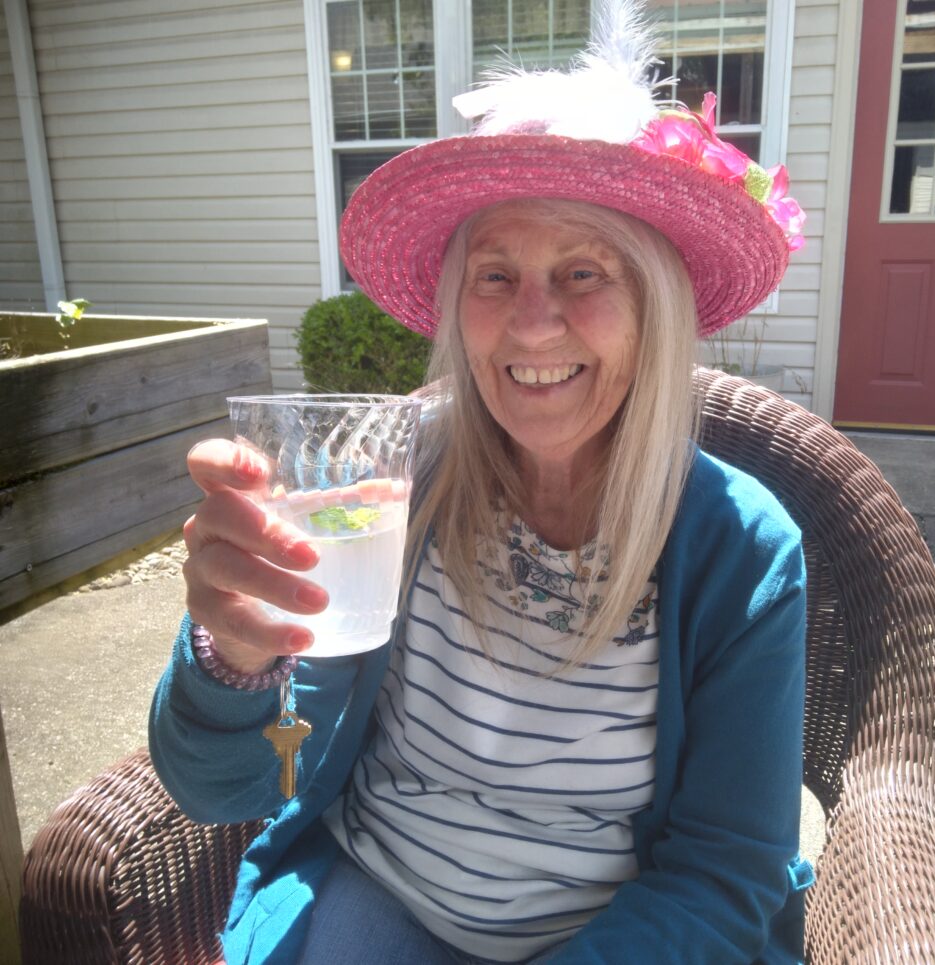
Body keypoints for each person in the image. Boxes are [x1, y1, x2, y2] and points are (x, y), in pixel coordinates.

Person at [149, 2, 812, 962]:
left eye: (584, 273)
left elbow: (725, 874)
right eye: (494, 276)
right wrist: (235, 660)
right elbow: (224, 786)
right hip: (377, 897)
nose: (532, 325)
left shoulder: (744, 555)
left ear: (655, 313)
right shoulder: (385, 486)